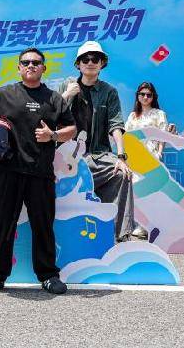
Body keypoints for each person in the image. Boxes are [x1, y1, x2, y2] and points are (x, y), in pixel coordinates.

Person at [0, 48, 76, 295]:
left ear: (43, 68)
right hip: (8, 171)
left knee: (43, 226)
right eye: (26, 62)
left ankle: (48, 275)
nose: (31, 65)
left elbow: (71, 129)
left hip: (41, 173)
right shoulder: (4, 94)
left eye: (36, 62)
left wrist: (53, 135)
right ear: (19, 67)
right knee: (3, 224)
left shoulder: (54, 99)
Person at [58, 41, 134, 242]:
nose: (90, 62)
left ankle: (117, 237)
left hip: (98, 154)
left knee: (122, 174)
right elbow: (51, 116)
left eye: (95, 59)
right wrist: (67, 95)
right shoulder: (67, 85)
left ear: (102, 64)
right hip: (67, 157)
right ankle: (58, 238)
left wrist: (121, 157)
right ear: (78, 64)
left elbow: (116, 125)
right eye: (85, 59)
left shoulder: (109, 92)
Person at [125, 81, 172, 238]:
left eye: (149, 95)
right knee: (136, 190)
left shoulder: (159, 114)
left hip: (151, 155)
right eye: (142, 94)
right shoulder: (132, 115)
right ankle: (141, 224)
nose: (145, 97)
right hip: (134, 157)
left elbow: (163, 136)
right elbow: (126, 137)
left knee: (150, 191)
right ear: (137, 96)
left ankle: (149, 226)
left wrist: (160, 153)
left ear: (153, 97)